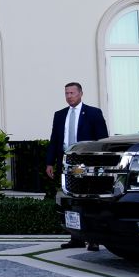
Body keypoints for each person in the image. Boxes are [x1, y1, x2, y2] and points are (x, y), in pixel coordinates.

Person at [45, 81, 109, 250]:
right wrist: (50, 162)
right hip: (67, 164)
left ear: (80, 93)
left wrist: (101, 164)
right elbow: (54, 141)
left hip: (87, 165)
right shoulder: (59, 115)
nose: (69, 96)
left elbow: (102, 140)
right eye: (66, 93)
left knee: (90, 201)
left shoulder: (93, 113)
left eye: (72, 93)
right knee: (72, 201)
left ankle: (94, 239)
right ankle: (76, 238)